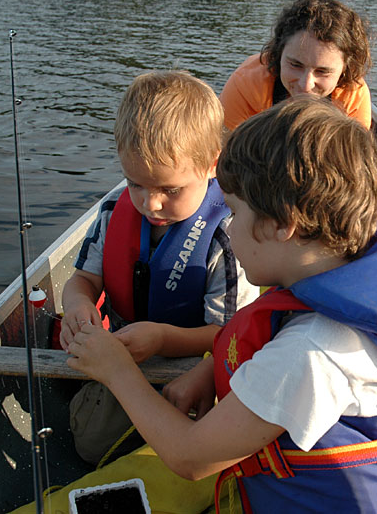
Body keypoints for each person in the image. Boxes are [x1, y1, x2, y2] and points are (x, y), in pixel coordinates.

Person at [67, 96, 377, 513]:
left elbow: (190, 458)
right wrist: (210, 368)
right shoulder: (350, 285)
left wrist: (117, 370)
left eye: (235, 213)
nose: (229, 229)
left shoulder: (312, 352)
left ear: (282, 225)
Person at [60, 70, 259, 465]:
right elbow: (83, 279)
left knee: (195, 448)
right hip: (124, 354)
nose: (150, 203)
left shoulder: (227, 234)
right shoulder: (114, 212)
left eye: (170, 190)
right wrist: (77, 306)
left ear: (211, 165)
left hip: (194, 366)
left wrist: (162, 339)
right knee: (90, 446)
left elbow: (227, 332)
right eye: (135, 184)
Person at [219, 0, 373, 132]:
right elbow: (225, 150)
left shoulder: (353, 96)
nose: (305, 85)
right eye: (295, 65)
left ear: (345, 68)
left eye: (322, 71)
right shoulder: (246, 83)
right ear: (278, 53)